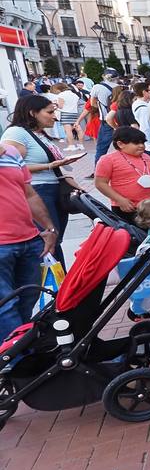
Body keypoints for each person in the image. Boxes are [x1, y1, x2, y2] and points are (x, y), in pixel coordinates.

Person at [1, 95, 81, 263]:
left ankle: (60, 283)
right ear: (33, 113)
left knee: (55, 239)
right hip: (38, 190)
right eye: (50, 112)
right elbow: (12, 166)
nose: (54, 116)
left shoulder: (39, 133)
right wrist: (50, 166)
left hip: (53, 190)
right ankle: (53, 284)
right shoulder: (16, 133)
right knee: (49, 242)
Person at [0, 142, 59, 336]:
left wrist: (49, 228)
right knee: (6, 307)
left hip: (29, 240)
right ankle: (17, 360)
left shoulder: (11, 152)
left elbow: (29, 194)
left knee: (27, 301)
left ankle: (16, 351)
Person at [93, 127, 150, 222]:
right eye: (136, 143)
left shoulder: (146, 157)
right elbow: (100, 183)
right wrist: (120, 200)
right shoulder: (108, 159)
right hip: (127, 207)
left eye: (143, 143)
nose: (141, 146)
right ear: (120, 144)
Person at [90, 72, 118, 158]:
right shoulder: (120, 86)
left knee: (101, 149)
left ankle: (98, 170)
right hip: (120, 119)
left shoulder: (97, 87)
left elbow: (92, 103)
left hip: (106, 120)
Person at [49, 83, 83, 151]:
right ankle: (81, 145)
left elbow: (61, 106)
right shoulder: (74, 94)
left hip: (65, 113)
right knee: (78, 129)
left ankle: (71, 145)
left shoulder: (62, 95)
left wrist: (55, 104)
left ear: (59, 89)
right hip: (74, 113)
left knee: (68, 131)